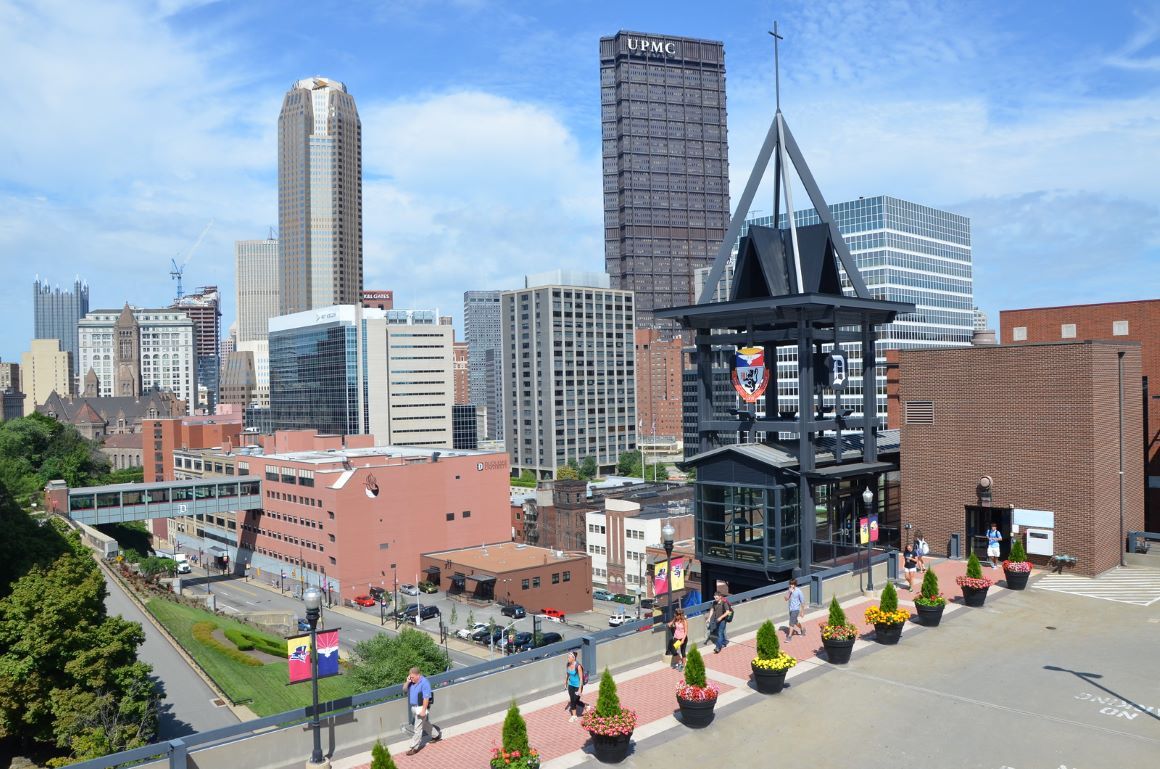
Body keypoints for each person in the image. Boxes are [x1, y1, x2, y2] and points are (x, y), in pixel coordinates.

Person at [403, 667, 440, 755]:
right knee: (425, 723)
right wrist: (408, 681)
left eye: (412, 677)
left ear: (418, 675)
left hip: (421, 707)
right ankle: (436, 735)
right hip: (414, 707)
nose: (411, 679)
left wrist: (423, 710)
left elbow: (426, 698)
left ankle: (414, 747)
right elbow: (404, 690)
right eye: (410, 677)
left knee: (417, 728)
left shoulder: (425, 683)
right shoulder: (411, 682)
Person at [564, 650, 585, 722]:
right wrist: (565, 682)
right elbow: (567, 673)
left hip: (577, 685)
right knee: (572, 700)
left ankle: (585, 706)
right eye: (568, 657)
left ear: (574, 658)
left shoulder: (578, 666)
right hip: (571, 685)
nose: (568, 659)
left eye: (569, 657)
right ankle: (574, 716)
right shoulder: (568, 664)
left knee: (575, 700)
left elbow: (581, 678)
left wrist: (579, 689)